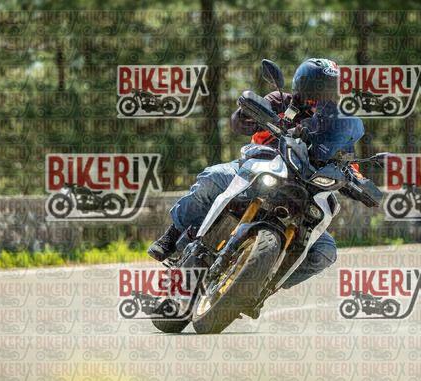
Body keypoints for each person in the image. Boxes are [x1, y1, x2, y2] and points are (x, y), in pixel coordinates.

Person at [148, 58, 366, 291]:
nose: (321, 99)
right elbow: (241, 122)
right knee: (211, 179)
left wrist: (360, 182)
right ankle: (173, 235)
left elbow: (349, 164)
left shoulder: (336, 126)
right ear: (302, 88)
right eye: (317, 93)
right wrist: (247, 114)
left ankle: (261, 287)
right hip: (258, 168)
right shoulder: (280, 101)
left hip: (302, 190)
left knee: (325, 251)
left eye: (329, 94)